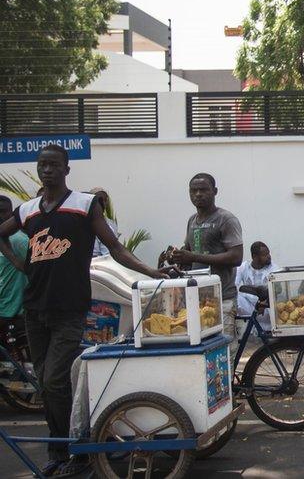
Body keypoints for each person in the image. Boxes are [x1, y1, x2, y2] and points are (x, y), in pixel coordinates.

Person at [0, 144, 168, 477]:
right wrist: (20, 263)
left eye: (54, 165)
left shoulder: (84, 205)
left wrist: (150, 271)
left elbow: (115, 247)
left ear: (66, 169)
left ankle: (73, 450)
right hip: (35, 308)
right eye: (42, 165)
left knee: (54, 380)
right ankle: (62, 450)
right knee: (46, 384)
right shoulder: (28, 210)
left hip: (70, 308)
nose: (47, 170)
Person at [165, 173, 244, 354]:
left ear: (215, 191)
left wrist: (193, 256)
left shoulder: (226, 219)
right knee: (202, 353)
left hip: (222, 298)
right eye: (193, 191)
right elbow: (190, 254)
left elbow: (236, 257)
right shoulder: (192, 221)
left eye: (203, 190)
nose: (198, 194)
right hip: (197, 299)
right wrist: (177, 256)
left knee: (224, 353)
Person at [0, 196, 28, 335]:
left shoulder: (18, 240)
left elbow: (37, 272)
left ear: (11, 213)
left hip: (13, 314)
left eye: (3, 211)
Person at [235, 241, 277, 329]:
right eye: (265, 255)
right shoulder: (243, 267)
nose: (269, 256)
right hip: (249, 306)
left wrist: (264, 302)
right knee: (234, 298)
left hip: (266, 307)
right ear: (254, 257)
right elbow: (234, 285)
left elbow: (278, 290)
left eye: (268, 253)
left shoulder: (274, 268)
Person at [89, 188, 119, 257]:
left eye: (105, 200)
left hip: (104, 260)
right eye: (99, 200)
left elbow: (111, 250)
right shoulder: (81, 221)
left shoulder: (111, 224)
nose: (102, 203)